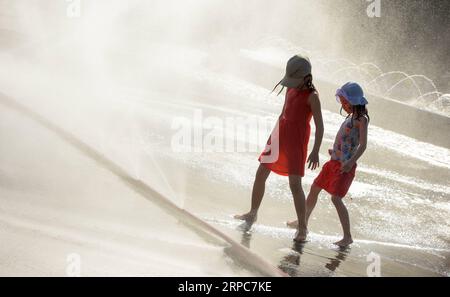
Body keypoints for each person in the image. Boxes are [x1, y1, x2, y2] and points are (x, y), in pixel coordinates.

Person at [235, 54, 324, 242]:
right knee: (261, 173)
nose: (291, 84)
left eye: (294, 80)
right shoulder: (290, 90)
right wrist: (272, 136)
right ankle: (253, 212)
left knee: (295, 185)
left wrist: (316, 150)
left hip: (296, 142)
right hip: (279, 136)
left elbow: (320, 126)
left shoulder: (312, 97)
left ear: (306, 78)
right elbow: (283, 113)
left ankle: (303, 227)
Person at [287, 82, 369, 247]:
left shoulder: (362, 119)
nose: (344, 106)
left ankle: (347, 236)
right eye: (342, 103)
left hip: (345, 167)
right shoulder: (350, 117)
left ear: (354, 101)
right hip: (334, 162)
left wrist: (350, 161)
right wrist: (336, 151)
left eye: (346, 102)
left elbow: (363, 145)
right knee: (314, 189)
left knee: (336, 198)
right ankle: (302, 221)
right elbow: (347, 140)